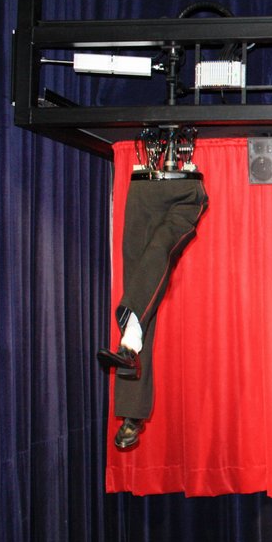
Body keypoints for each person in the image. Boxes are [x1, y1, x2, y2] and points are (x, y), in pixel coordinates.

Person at [96, 128, 209, 449]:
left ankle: (130, 341)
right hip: (143, 190)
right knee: (140, 279)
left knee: (158, 252)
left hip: (183, 190)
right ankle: (131, 407)